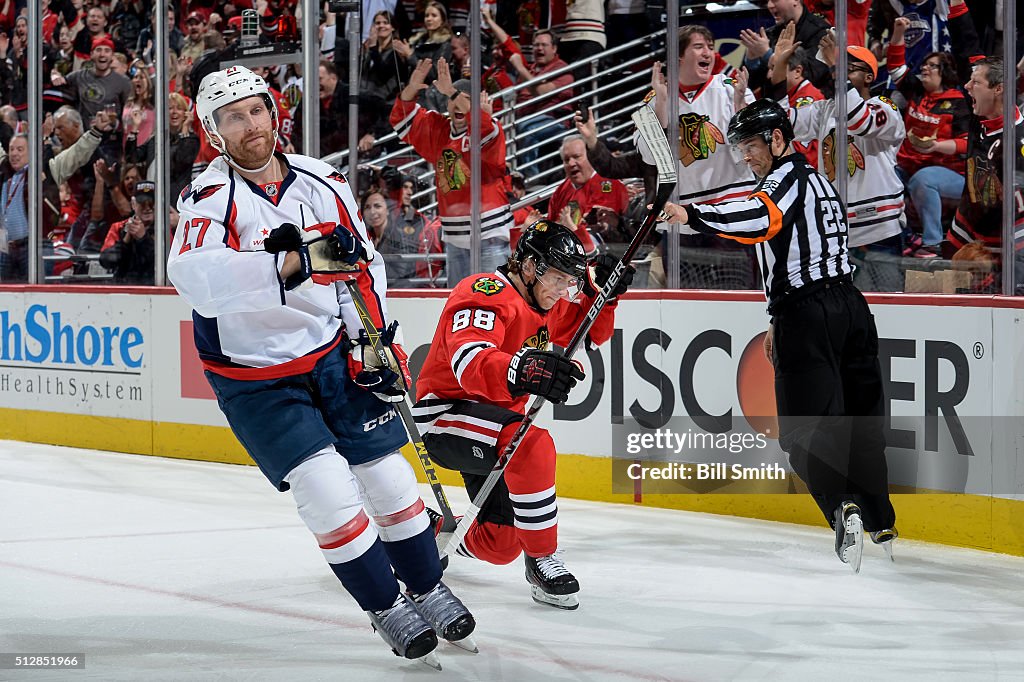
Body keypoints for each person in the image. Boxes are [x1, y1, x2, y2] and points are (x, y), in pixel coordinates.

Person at [166, 65, 475, 664]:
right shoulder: (210, 196)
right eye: (234, 117)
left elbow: (361, 269)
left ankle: (429, 587)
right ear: (214, 129)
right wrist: (287, 266)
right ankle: (385, 605)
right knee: (328, 491)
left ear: (274, 113)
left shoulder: (321, 180)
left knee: (389, 478)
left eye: (257, 110)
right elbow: (194, 276)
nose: (250, 125)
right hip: (256, 377)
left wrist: (372, 341)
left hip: (331, 355)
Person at [657, 100, 897, 572]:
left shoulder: (784, 180)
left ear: (778, 139)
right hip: (850, 306)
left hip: (809, 317)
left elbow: (760, 220)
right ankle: (879, 518)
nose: (745, 156)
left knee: (804, 430)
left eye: (750, 146)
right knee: (860, 422)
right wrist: (774, 315)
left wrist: (692, 215)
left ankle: (840, 507)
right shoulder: (820, 182)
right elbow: (798, 252)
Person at [412, 220, 632, 609]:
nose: (565, 290)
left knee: (499, 545)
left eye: (571, 281)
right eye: (558, 277)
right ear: (528, 266)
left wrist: (606, 296)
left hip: (494, 428)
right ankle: (543, 559)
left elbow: (590, 332)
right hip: (446, 416)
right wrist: (523, 369)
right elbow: (470, 361)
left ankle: (420, 530)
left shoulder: (547, 299)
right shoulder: (485, 292)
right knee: (532, 443)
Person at [770, 25, 907, 253]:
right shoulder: (825, 109)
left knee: (885, 290)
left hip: (879, 228)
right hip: (837, 229)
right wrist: (780, 66)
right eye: (836, 67)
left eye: (848, 68)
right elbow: (781, 122)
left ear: (869, 77)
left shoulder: (885, 106)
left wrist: (836, 64)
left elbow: (859, 121)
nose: (836, 74)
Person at [391, 59, 512, 286]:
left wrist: (452, 91)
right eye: (453, 99)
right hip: (455, 239)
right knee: (459, 307)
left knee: (495, 304)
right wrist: (412, 88)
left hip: (489, 236)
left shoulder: (490, 128)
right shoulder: (440, 129)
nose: (457, 105)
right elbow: (401, 120)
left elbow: (484, 128)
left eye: (466, 100)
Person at [888, 17, 971, 258]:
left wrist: (936, 146)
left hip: (950, 175)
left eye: (931, 66)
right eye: (924, 65)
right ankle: (899, 239)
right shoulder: (915, 89)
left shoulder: (958, 103)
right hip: (906, 165)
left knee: (923, 179)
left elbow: (967, 144)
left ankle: (933, 243)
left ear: (944, 72)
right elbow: (894, 66)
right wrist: (898, 32)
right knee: (881, 177)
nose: (924, 68)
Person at [546, 134, 629, 256]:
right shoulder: (561, 191)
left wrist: (570, 228)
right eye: (566, 160)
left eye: (576, 157)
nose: (571, 163)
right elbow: (551, 224)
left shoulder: (608, 183)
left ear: (590, 156)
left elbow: (603, 231)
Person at [99, 180, 157, 284]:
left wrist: (143, 239)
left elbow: (166, 263)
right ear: (133, 204)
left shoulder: (165, 228)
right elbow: (106, 261)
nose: (147, 208)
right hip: (123, 287)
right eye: (143, 203)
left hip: (155, 286)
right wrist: (126, 239)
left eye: (151, 203)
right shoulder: (119, 227)